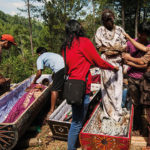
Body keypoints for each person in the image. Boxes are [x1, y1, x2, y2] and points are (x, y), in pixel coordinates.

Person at [61, 19, 118, 150]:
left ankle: (75, 144)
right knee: (77, 121)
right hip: (82, 87)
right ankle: (72, 147)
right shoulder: (84, 42)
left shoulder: (65, 46)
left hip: (71, 85)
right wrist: (112, 67)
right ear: (77, 28)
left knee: (77, 119)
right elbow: (98, 61)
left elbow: (74, 63)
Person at [95, 9, 127, 122]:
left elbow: (124, 46)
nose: (108, 22)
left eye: (109, 19)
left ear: (113, 19)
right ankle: (110, 111)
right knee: (108, 87)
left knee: (118, 87)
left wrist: (113, 50)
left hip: (117, 62)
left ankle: (118, 110)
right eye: (105, 20)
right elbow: (100, 48)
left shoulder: (119, 30)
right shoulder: (100, 30)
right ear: (103, 21)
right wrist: (113, 49)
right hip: (106, 63)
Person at [122, 22, 150, 135]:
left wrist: (130, 61)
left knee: (145, 105)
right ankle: (136, 126)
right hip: (132, 78)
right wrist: (125, 58)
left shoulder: (148, 47)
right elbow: (124, 54)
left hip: (144, 80)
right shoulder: (130, 43)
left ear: (146, 35)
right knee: (135, 103)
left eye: (142, 33)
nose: (139, 35)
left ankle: (144, 129)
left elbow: (144, 64)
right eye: (139, 32)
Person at [32, 47, 65, 117]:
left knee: (54, 89)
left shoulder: (40, 58)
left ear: (39, 54)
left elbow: (39, 73)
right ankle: (60, 100)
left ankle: (51, 110)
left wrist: (34, 81)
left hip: (60, 69)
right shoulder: (51, 54)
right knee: (58, 82)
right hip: (67, 66)